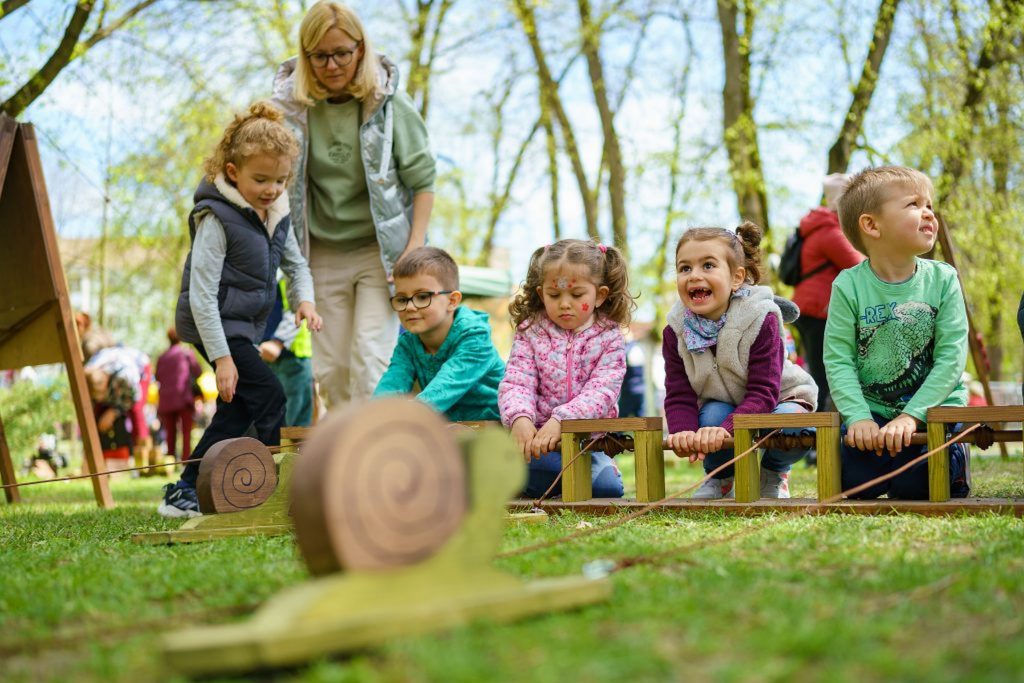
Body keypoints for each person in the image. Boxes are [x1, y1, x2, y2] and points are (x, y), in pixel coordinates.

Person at [272, 1, 436, 411]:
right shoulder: (288, 110)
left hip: (379, 253)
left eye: (342, 53)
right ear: (306, 56)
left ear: (361, 49)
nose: (332, 64)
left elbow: (423, 181)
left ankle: (374, 462)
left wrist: (413, 249)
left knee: (369, 359)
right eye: (320, 56)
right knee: (330, 368)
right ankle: (345, 457)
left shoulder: (390, 105)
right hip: (320, 254)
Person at [162, 102, 323, 519]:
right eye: (261, 179)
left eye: (281, 180)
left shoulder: (276, 213)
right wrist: (222, 358)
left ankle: (185, 490)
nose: (272, 189)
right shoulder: (216, 218)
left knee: (239, 407)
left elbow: (296, 264)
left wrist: (304, 299)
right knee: (270, 395)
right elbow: (201, 296)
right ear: (233, 173)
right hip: (211, 323)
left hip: (241, 328)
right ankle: (274, 490)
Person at [825, 166, 969, 500]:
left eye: (930, 205)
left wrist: (911, 417)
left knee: (915, 488)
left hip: (934, 410)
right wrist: (858, 417)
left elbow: (951, 359)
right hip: (873, 413)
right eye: (914, 204)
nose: (929, 213)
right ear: (871, 225)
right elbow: (839, 360)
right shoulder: (848, 285)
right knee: (854, 485)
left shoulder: (943, 279)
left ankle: (956, 457)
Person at [662, 222, 818, 499]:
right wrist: (683, 431)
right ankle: (721, 476)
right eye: (684, 268)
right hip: (722, 401)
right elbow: (679, 392)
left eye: (708, 265)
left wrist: (727, 430)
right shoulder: (675, 330)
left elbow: (764, 391)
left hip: (780, 396)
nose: (694, 275)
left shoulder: (761, 317)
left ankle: (774, 471)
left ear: (736, 278)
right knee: (710, 416)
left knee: (792, 423)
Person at [499, 239, 634, 499]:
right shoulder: (531, 332)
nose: (564, 304)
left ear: (600, 295)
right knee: (533, 467)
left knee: (608, 488)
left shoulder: (609, 337)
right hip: (539, 445)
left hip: (589, 446)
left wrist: (561, 420)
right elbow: (517, 381)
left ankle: (553, 482)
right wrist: (520, 418)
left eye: (576, 295)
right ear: (541, 294)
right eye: (554, 295)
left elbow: (602, 392)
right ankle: (547, 480)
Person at [374, 247, 505, 420]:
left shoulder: (475, 339)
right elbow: (392, 385)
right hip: (450, 426)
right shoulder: (408, 343)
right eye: (402, 299)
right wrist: (373, 416)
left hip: (496, 424)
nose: (410, 306)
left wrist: (403, 417)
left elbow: (445, 386)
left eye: (422, 297)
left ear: (452, 301)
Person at [791, 173, 865, 412]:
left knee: (819, 368)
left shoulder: (819, 227)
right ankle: (817, 433)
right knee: (825, 373)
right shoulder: (829, 231)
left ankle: (817, 426)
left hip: (811, 309)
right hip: (819, 310)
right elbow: (859, 264)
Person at [84, 345, 153, 469]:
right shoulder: (89, 370)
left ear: (106, 380)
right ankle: (96, 457)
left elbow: (134, 396)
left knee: (136, 410)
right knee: (98, 410)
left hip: (140, 367)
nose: (99, 398)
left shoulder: (125, 375)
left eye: (101, 393)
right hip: (113, 369)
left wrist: (115, 411)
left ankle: (142, 456)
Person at [259, 277, 315, 426]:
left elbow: (296, 309)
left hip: (291, 357)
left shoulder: (286, 273)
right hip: (272, 356)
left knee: (288, 424)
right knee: (283, 422)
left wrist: (278, 341)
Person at [156, 326, 202, 460]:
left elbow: (158, 376)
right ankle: (185, 460)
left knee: (170, 433)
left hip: (166, 400)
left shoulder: (162, 357)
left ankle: (170, 460)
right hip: (183, 397)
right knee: (186, 432)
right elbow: (198, 371)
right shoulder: (186, 353)